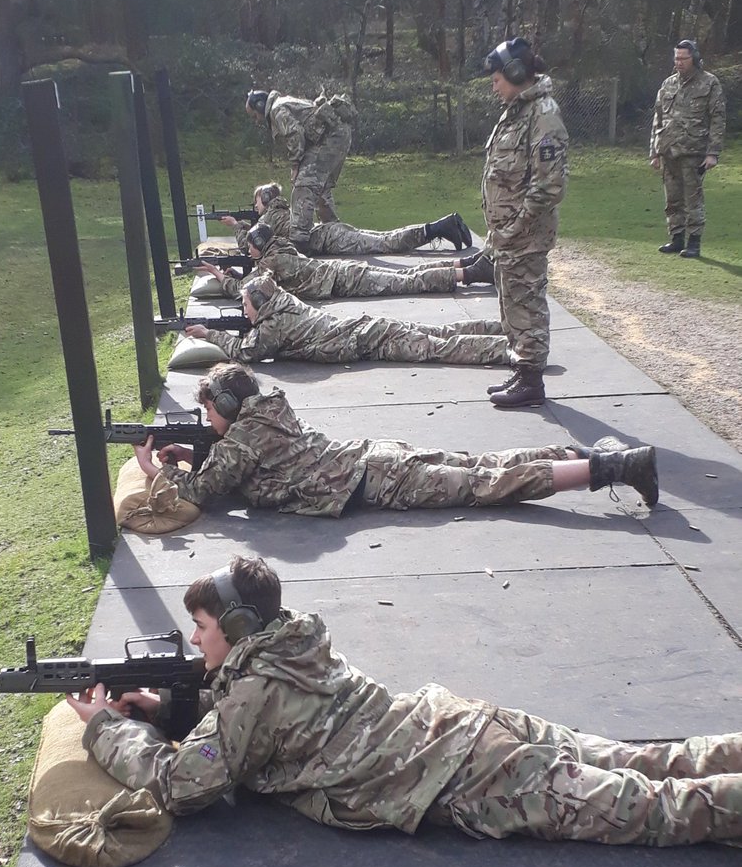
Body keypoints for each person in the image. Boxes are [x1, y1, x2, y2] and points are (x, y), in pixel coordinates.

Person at [66, 556, 742, 847]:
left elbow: (183, 785)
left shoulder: (251, 693)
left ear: (238, 630)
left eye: (204, 628)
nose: (193, 639)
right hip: (469, 727)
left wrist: (105, 728)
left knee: (650, 809)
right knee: (650, 760)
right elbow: (249, 716)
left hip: (469, 776)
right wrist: (167, 711)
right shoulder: (296, 643)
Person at [136, 361, 659, 515]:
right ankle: (584, 454)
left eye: (209, 410)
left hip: (376, 481)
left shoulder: (240, 439)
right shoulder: (267, 411)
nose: (208, 419)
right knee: (481, 463)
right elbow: (243, 458)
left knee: (486, 484)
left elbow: (202, 493)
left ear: (227, 406)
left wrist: (156, 470)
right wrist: (195, 451)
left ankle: (614, 468)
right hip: (376, 457)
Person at [479, 38, 569, 410]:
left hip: (525, 235)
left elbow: (550, 183)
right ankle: (522, 369)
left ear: (517, 74)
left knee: (527, 304)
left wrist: (517, 225)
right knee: (512, 303)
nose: (494, 85)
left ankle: (531, 381)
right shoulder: (517, 111)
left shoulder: (543, 115)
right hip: (508, 234)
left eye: (498, 78)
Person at [183, 274, 508, 367]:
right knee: (439, 332)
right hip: (368, 330)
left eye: (245, 305)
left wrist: (210, 334)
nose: (243, 311)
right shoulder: (282, 304)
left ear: (259, 303)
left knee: (440, 348)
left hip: (370, 339)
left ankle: (507, 351)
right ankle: (504, 329)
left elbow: (245, 352)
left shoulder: (273, 325)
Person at [200, 221, 495, 301]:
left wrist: (217, 273)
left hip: (343, 279)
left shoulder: (271, 263)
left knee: (407, 282)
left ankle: (470, 274)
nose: (249, 252)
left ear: (261, 246)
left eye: (251, 248)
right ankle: (467, 266)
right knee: (409, 274)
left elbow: (242, 289)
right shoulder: (279, 248)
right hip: (342, 273)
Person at [222, 181, 472, 255]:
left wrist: (236, 226)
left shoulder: (269, 218)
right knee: (385, 238)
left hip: (330, 239)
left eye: (256, 201)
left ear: (265, 200)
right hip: (332, 231)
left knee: (386, 244)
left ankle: (439, 228)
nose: (254, 206)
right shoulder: (281, 211)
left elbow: (249, 245)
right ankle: (441, 226)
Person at [246, 87, 356, 245]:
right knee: (320, 186)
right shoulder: (283, 103)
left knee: (304, 184)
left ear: (260, 106)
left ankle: (299, 240)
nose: (256, 120)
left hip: (331, 136)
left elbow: (295, 133)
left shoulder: (277, 109)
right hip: (336, 134)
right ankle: (334, 231)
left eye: (255, 115)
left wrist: (295, 163)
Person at [650, 40, 725, 259]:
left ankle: (694, 242)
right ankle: (676, 239)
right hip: (669, 149)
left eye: (684, 58)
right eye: (677, 58)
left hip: (694, 151)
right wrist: (654, 151)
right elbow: (658, 117)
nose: (679, 62)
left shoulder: (709, 83)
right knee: (672, 199)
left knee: (693, 199)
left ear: (695, 58)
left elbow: (718, 119)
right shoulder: (668, 84)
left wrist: (713, 152)